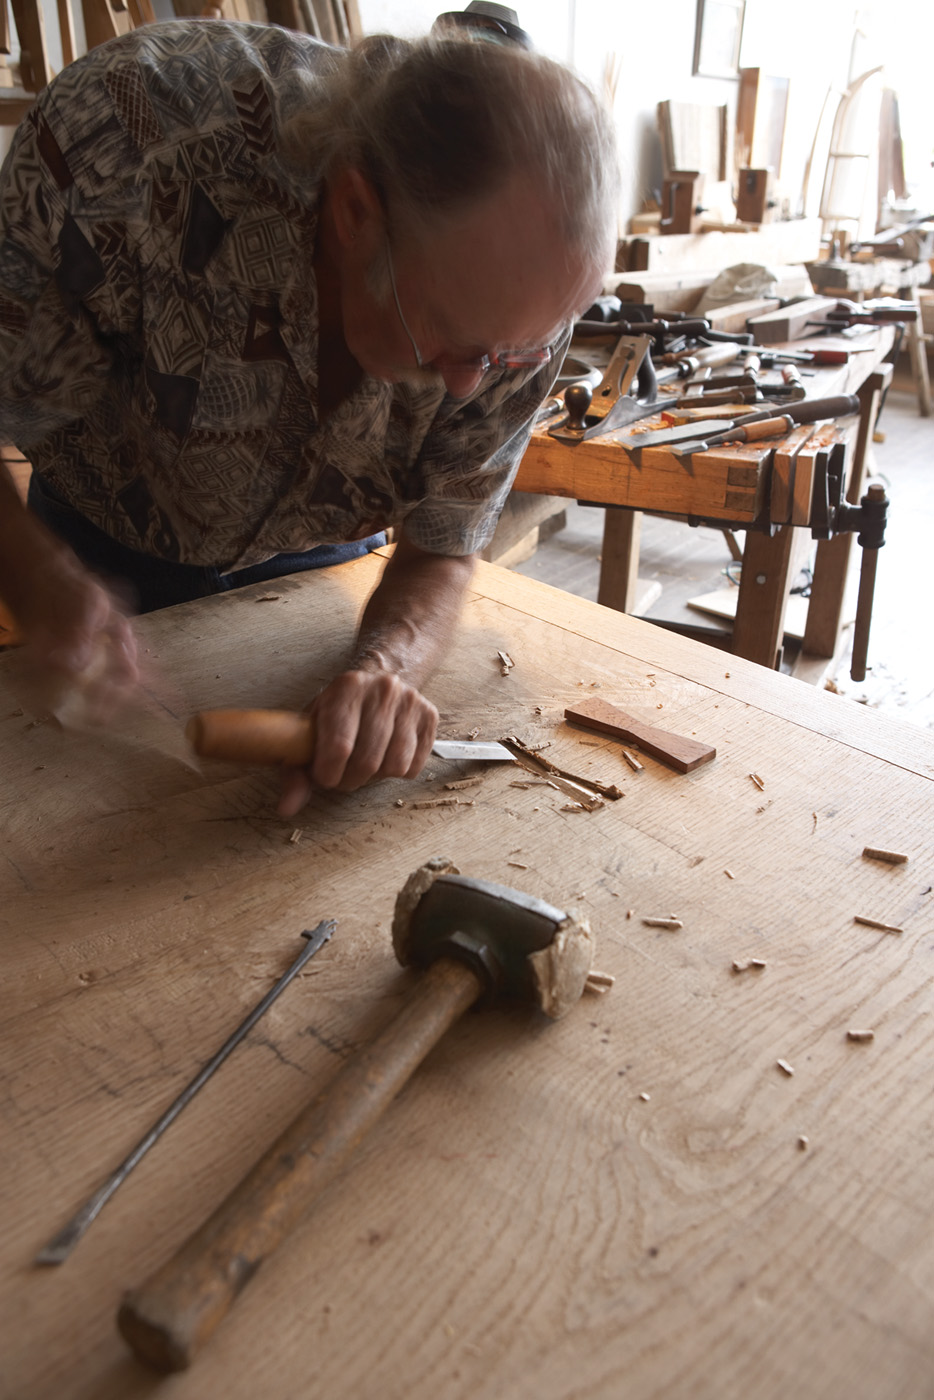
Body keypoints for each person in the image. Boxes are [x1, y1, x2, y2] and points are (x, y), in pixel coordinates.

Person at [0, 18, 618, 813]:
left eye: (512, 355)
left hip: (317, 571)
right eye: (452, 338)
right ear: (357, 210)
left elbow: (441, 544)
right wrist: (37, 575)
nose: (469, 387)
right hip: (94, 555)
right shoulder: (120, 140)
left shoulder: (521, 301)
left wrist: (384, 668)